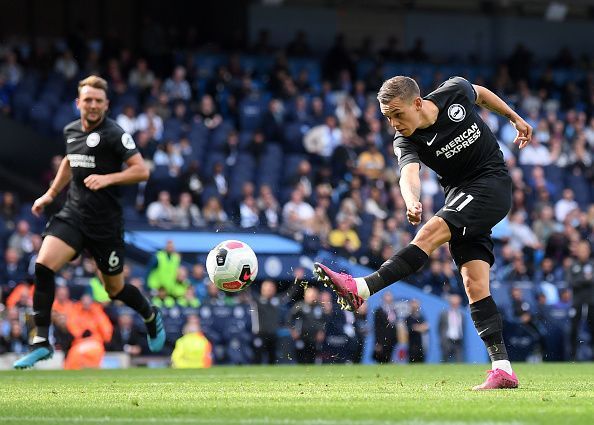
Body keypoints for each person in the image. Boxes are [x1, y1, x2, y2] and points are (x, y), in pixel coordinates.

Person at [314, 75, 532, 389]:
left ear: (418, 103)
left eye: (398, 114)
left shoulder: (454, 91)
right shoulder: (406, 140)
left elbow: (481, 95)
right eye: (387, 117)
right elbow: (408, 174)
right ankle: (503, 368)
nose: (394, 124)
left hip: (491, 184)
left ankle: (362, 288)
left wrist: (515, 118)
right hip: (460, 195)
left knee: (429, 234)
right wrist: (411, 199)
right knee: (474, 284)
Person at [14, 75, 165, 369]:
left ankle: (149, 314)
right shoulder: (71, 130)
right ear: (78, 102)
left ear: (106, 104)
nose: (93, 105)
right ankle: (41, 342)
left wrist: (109, 178)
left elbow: (141, 170)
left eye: (98, 101)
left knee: (115, 290)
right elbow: (71, 161)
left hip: (105, 225)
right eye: (88, 100)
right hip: (73, 215)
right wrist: (50, 194)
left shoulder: (115, 134)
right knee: (43, 266)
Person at [439, 294, 465, 362]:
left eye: (457, 303)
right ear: (450, 303)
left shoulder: (461, 315)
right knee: (445, 360)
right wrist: (442, 339)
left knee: (459, 360)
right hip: (447, 340)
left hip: (458, 340)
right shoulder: (444, 314)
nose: (456, 305)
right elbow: (439, 327)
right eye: (454, 303)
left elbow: (463, 328)